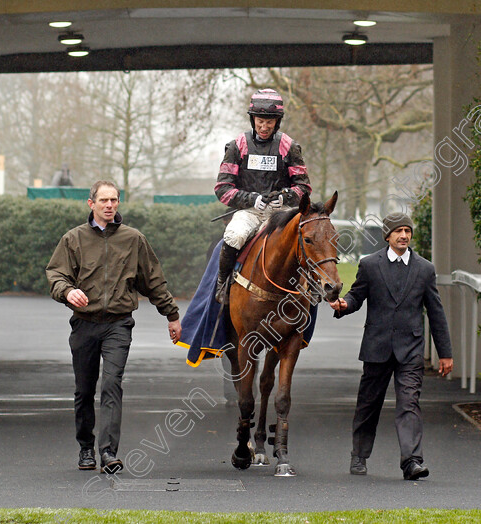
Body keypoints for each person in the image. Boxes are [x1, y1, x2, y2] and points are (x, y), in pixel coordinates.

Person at [46, 180, 182, 473]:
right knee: (84, 390)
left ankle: (108, 452)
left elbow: (153, 281)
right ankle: (86, 448)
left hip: (118, 325)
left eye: (115, 200)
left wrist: (171, 315)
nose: (110, 205)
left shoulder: (133, 239)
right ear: (91, 203)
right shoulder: (73, 239)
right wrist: (68, 291)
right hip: (84, 324)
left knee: (111, 384)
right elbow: (56, 275)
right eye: (104, 200)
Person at [329, 213, 453, 480]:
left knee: (409, 404)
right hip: (377, 347)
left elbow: (436, 313)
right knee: (368, 405)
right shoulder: (370, 265)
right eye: (398, 231)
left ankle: (412, 461)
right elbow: (356, 296)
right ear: (387, 235)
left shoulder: (424, 269)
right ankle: (359, 455)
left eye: (407, 231)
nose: (404, 236)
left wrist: (445, 353)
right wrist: (343, 306)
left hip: (410, 350)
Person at [213, 88, 312, 303]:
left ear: (278, 121)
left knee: (306, 241)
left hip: (282, 213)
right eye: (260, 121)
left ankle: (311, 289)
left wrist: (285, 197)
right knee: (234, 236)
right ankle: (223, 285)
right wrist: (251, 199)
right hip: (249, 212)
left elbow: (304, 188)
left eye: (270, 122)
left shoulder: (290, 147)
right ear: (252, 119)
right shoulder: (236, 146)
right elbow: (222, 188)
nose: (264, 127)